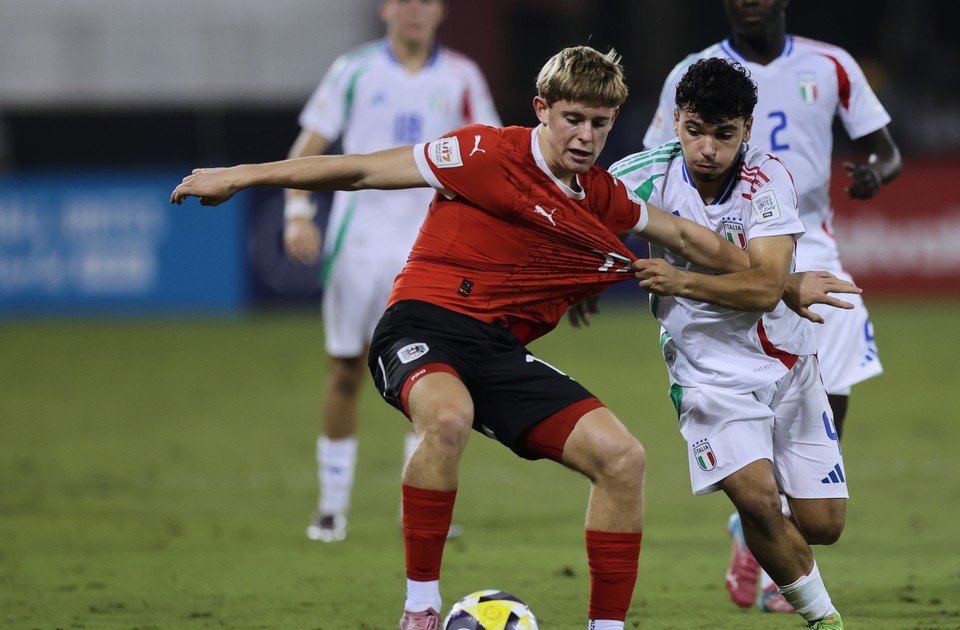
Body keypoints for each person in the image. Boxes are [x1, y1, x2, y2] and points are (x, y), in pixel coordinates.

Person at [173, 45, 854, 630]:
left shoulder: (601, 198)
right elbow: (360, 168)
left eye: (600, 123)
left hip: (497, 353)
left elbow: (684, 236)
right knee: (447, 419)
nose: (585, 136)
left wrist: (786, 285)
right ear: (542, 109)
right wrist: (240, 177)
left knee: (624, 459)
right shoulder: (482, 151)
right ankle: (419, 609)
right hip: (422, 326)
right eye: (573, 120)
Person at [642, 0, 902, 611]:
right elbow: (657, 168)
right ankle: (762, 513)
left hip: (814, 249)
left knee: (827, 393)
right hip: (720, 245)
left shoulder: (831, 65)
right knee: (753, 431)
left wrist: (875, 175)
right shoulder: (695, 70)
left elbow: (887, 150)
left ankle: (770, 516)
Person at [612, 57, 848, 629]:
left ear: (746, 127)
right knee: (763, 502)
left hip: (788, 364)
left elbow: (767, 288)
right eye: (695, 131)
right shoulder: (640, 174)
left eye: (723, 134)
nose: (708, 149)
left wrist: (680, 281)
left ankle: (753, 529)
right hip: (707, 376)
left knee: (823, 526)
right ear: (675, 122)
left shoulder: (769, 180)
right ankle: (826, 620)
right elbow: (562, 210)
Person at [282, 0, 500, 543]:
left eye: (424, 1)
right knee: (345, 371)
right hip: (356, 246)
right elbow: (308, 149)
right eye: (403, 0)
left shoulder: (461, 76)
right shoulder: (353, 70)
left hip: (428, 250)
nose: (413, 11)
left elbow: (491, 154)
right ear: (385, 9)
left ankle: (418, 501)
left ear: (440, 10)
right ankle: (331, 507)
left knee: (434, 372)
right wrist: (295, 211)